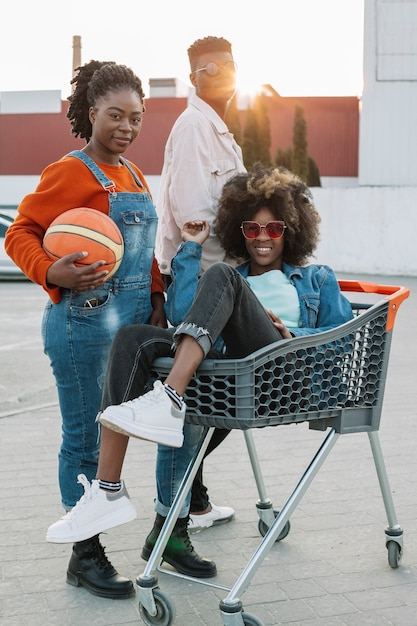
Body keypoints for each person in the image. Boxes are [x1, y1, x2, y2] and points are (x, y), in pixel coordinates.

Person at [46, 164, 354, 579]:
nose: (263, 238)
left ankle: (169, 397)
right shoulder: (233, 277)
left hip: (284, 374)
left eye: (274, 229)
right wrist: (191, 247)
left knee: (223, 278)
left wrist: (290, 330)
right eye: (252, 229)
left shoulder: (315, 278)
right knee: (131, 338)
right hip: (230, 379)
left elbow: (342, 337)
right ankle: (111, 491)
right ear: (239, 231)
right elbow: (180, 312)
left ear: (293, 229)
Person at [5, 60, 166, 599]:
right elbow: (20, 231)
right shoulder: (70, 171)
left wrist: (159, 298)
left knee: (124, 430)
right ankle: (85, 554)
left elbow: (140, 257)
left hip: (134, 328)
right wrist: (51, 270)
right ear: (90, 113)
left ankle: (166, 524)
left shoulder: (135, 174)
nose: (126, 127)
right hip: (83, 324)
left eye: (136, 117)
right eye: (115, 115)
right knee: (85, 437)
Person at [156, 35, 246, 532]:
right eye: (212, 68)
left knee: (212, 397)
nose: (224, 74)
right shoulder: (194, 127)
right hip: (201, 284)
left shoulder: (220, 131)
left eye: (230, 65)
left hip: (223, 283)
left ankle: (195, 498)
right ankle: (180, 506)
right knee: (220, 398)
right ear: (195, 77)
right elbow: (195, 218)